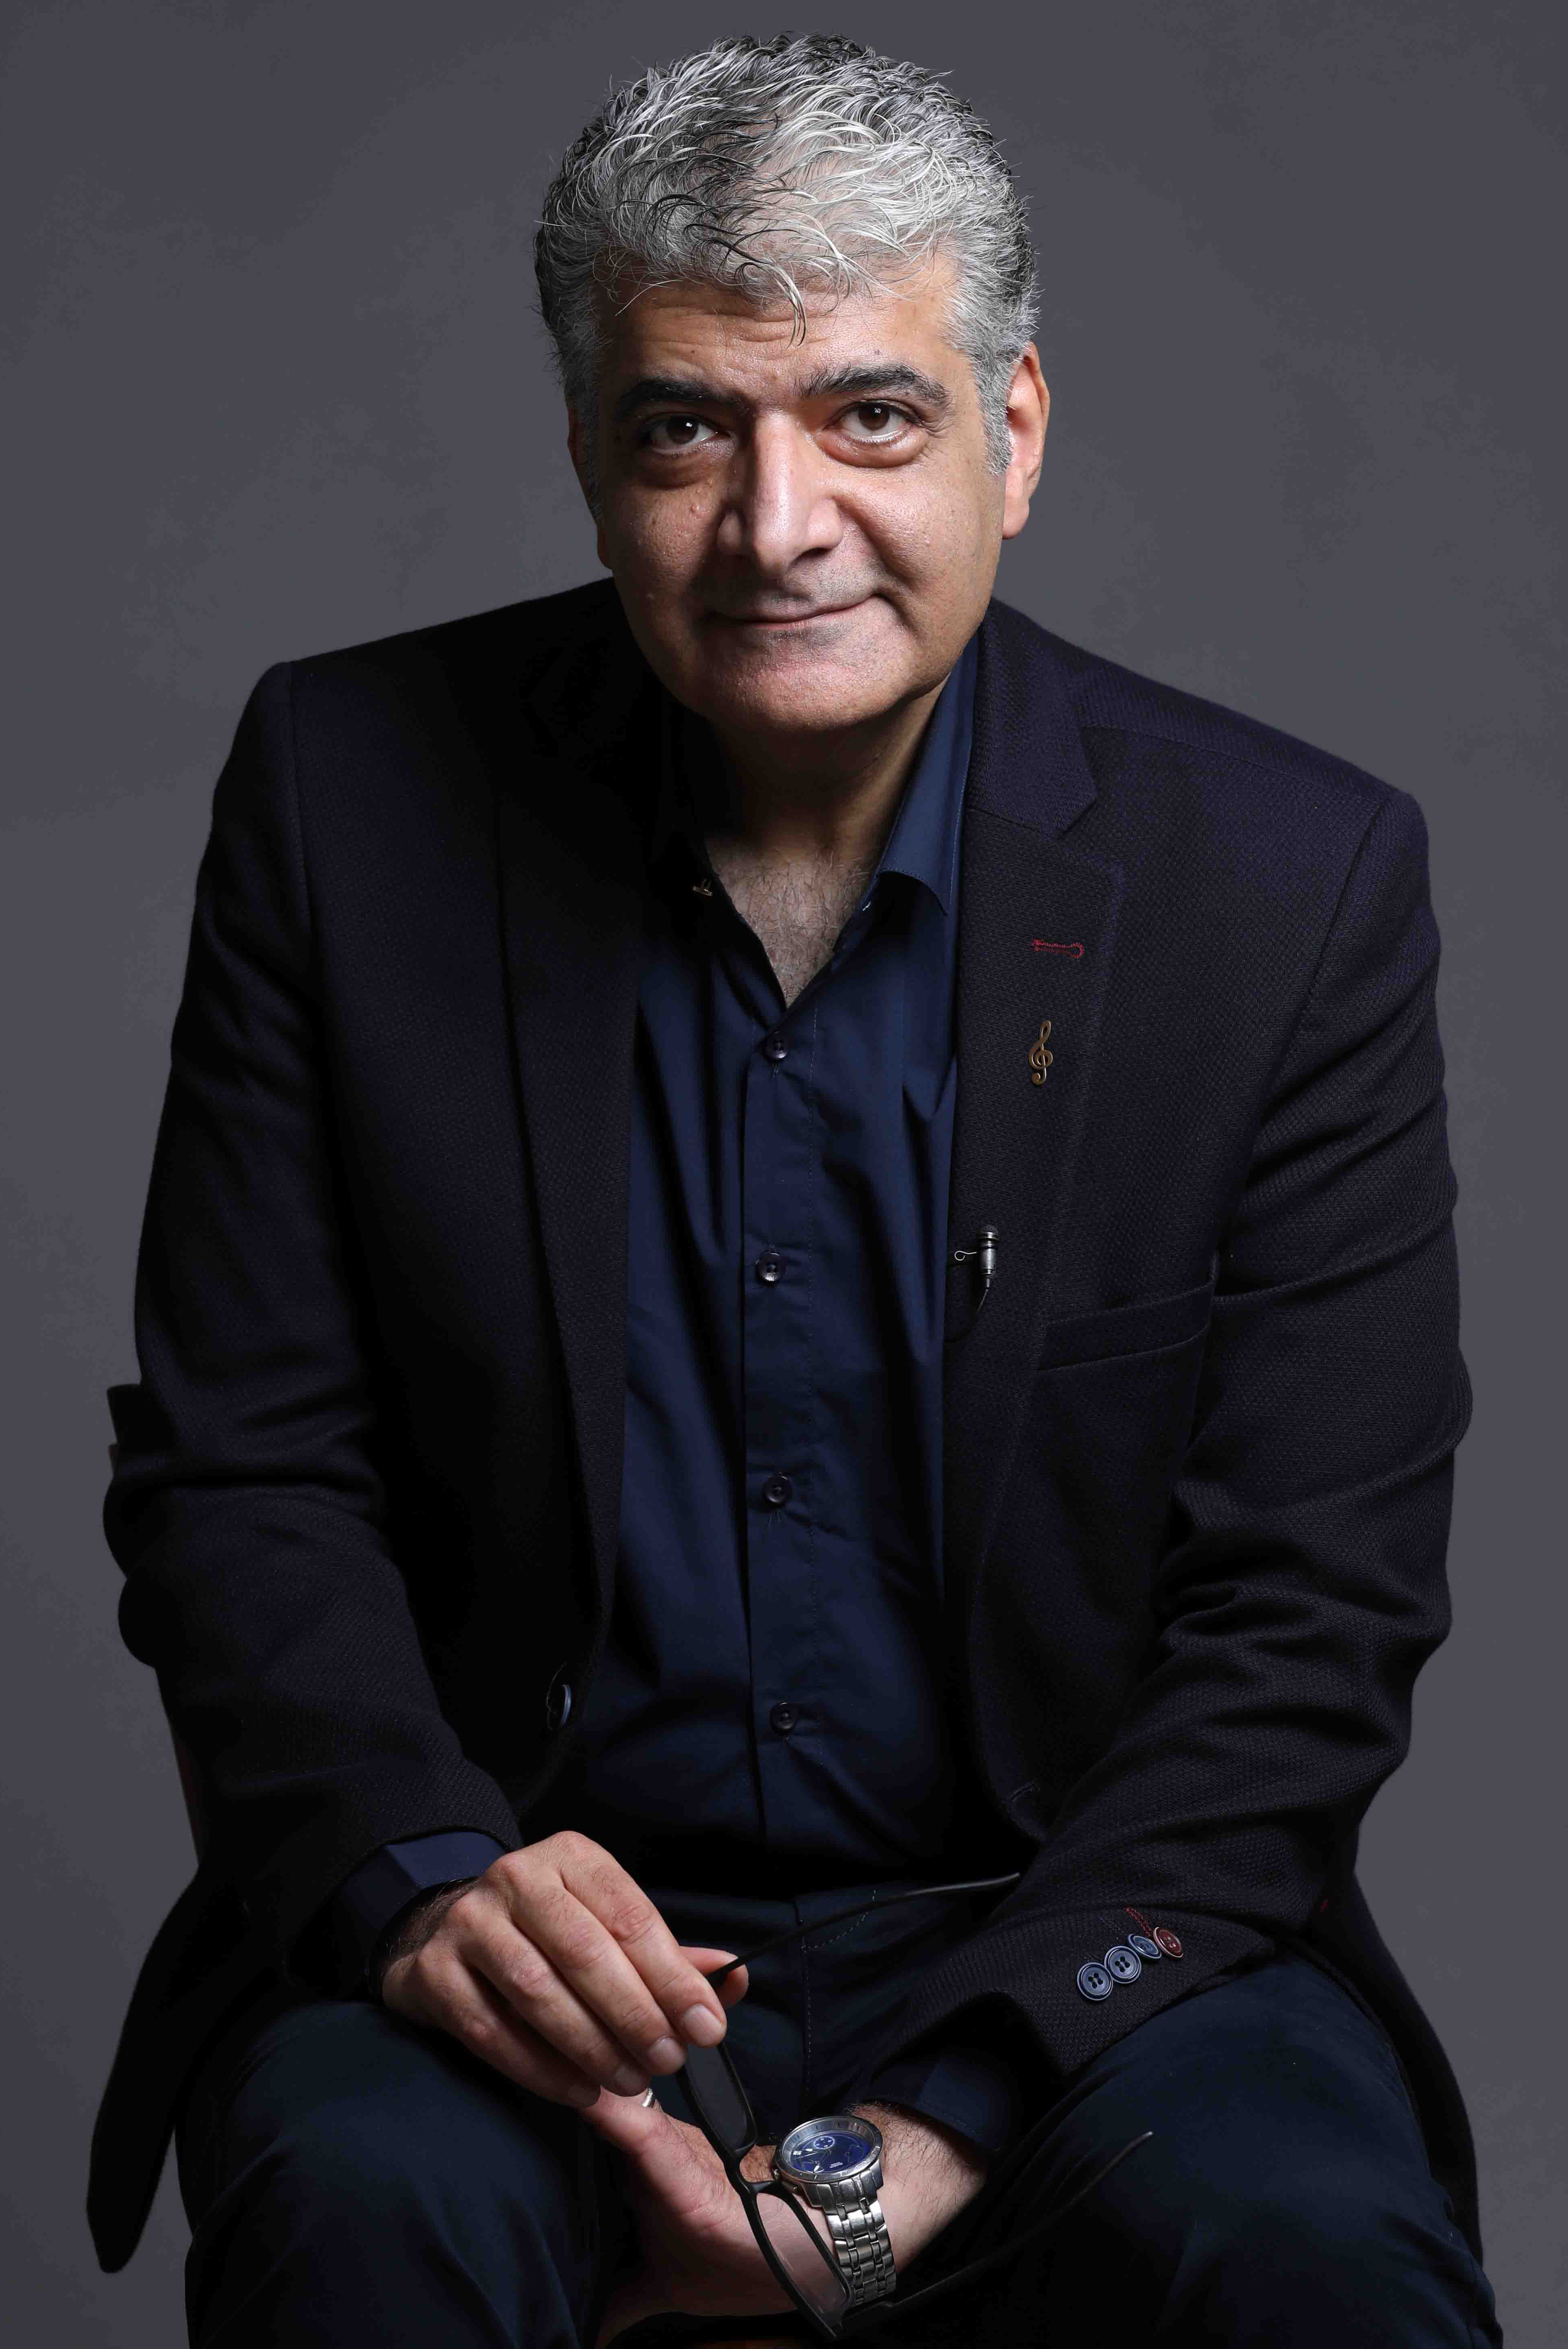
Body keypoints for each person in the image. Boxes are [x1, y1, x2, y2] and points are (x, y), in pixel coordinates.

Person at [89, 32, 1500, 2348]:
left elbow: (1310, 1615)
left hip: (1085, 1953)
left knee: (1313, 2266)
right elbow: (245, 1476)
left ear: (1013, 435)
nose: (776, 525)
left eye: (871, 417)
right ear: (586, 458)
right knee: (358, 2223)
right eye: (684, 431)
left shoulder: (1286, 884)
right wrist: (433, 1882)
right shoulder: (345, 797)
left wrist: (908, 2153)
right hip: (531, 1922)